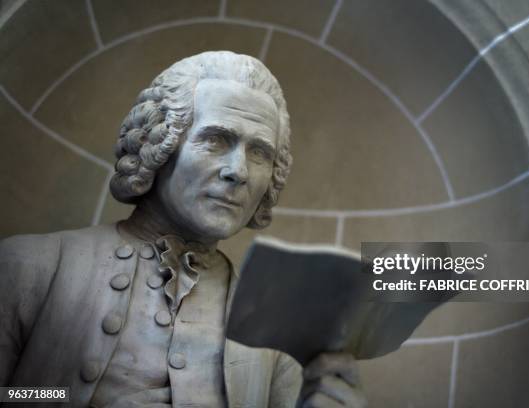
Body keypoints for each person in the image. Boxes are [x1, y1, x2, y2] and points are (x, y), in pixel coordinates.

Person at [0, 51, 367, 407]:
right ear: (160, 143)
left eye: (259, 152)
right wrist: (72, 399)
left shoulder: (277, 333)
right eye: (216, 140)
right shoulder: (29, 266)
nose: (237, 171)